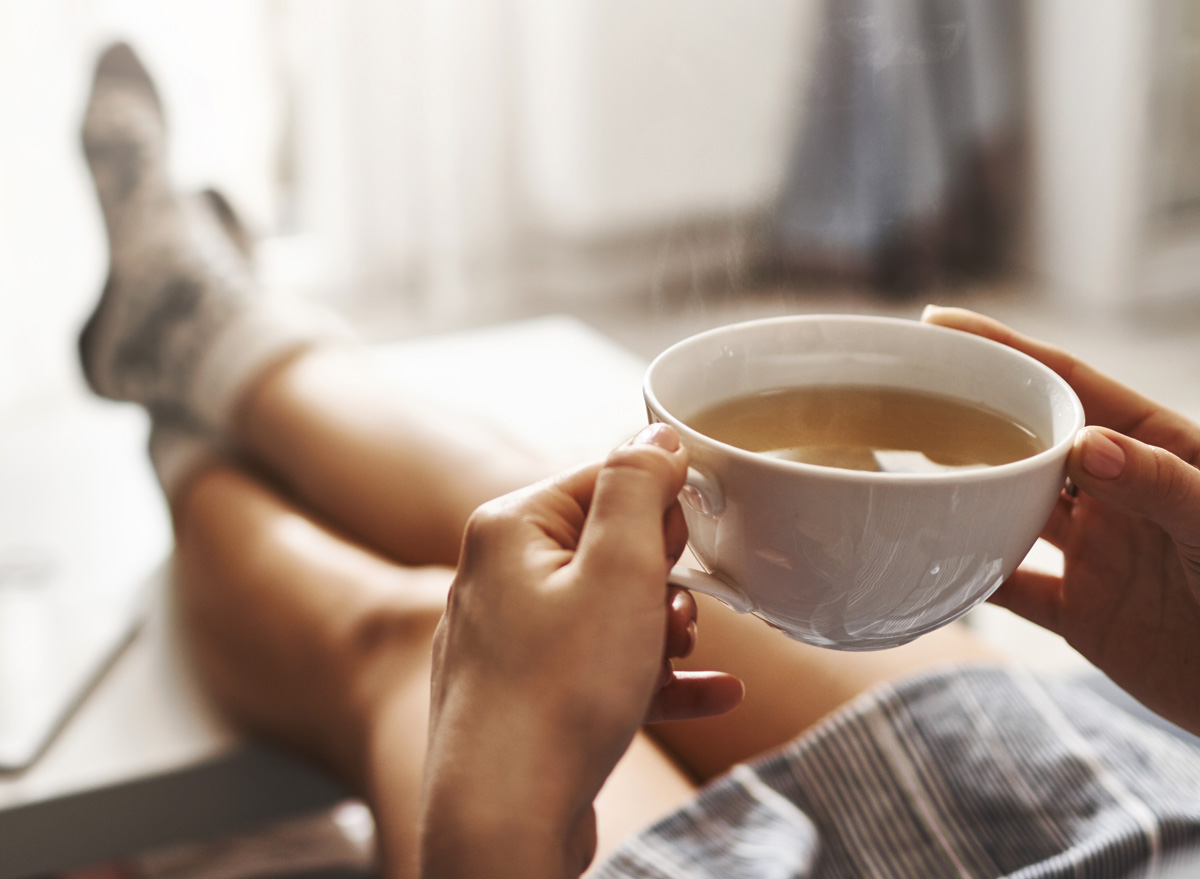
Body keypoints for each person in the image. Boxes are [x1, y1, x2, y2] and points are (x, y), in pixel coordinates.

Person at [78, 42, 1200, 878]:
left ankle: (192, 425)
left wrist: (497, 826)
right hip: (1136, 816)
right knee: (541, 544)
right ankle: (203, 331)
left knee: (430, 645)